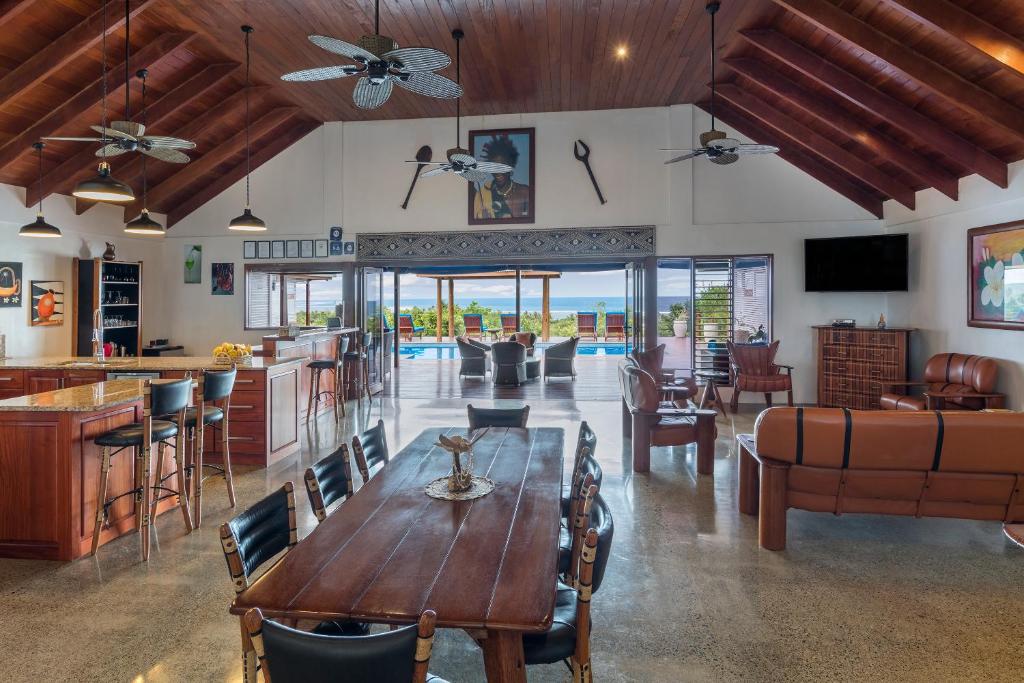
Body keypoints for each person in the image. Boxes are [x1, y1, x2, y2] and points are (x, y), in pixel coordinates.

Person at [473, 134, 530, 219]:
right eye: (494, 167)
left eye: (501, 166)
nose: (497, 172)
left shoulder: (526, 192)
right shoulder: (482, 195)